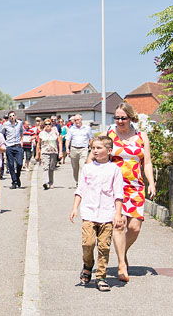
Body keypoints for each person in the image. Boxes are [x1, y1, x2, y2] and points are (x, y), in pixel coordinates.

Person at [107, 102, 156, 282]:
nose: (120, 121)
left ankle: (122, 250)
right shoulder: (110, 135)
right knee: (119, 225)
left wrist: (151, 183)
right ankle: (121, 263)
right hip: (115, 187)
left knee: (134, 227)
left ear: (131, 118)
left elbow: (148, 162)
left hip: (135, 186)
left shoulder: (141, 137)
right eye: (117, 118)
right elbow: (100, 156)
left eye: (123, 118)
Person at [69, 135, 124, 292]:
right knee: (88, 243)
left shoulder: (115, 169)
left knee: (104, 247)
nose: (95, 151)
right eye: (93, 148)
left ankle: (101, 276)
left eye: (99, 148)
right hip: (89, 212)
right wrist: (74, 208)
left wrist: (118, 214)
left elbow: (118, 194)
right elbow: (80, 189)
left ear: (109, 151)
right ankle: (88, 265)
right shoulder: (87, 168)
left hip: (107, 213)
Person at [65, 114, 94, 188]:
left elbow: (91, 139)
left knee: (82, 166)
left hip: (83, 149)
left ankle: (81, 183)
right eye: (75, 120)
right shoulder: (72, 129)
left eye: (78, 120)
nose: (76, 121)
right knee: (75, 167)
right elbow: (68, 139)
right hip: (74, 149)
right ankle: (77, 181)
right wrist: (67, 148)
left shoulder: (87, 128)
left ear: (81, 120)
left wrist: (93, 149)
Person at [0, 111, 25, 189]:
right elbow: (2, 134)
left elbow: (21, 132)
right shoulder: (5, 125)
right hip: (9, 146)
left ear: (16, 116)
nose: (12, 117)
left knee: (20, 163)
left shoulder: (20, 123)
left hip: (17, 145)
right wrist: (4, 144)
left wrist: (21, 141)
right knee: (11, 165)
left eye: (13, 116)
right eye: (10, 116)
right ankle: (14, 181)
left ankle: (17, 177)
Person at [37, 119, 62, 190]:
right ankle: (45, 182)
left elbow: (59, 142)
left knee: (51, 168)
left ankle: (51, 182)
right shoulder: (41, 133)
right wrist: (37, 154)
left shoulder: (55, 133)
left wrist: (60, 152)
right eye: (46, 124)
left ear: (51, 125)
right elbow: (38, 144)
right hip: (45, 152)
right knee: (45, 167)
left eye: (49, 124)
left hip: (53, 152)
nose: (47, 125)